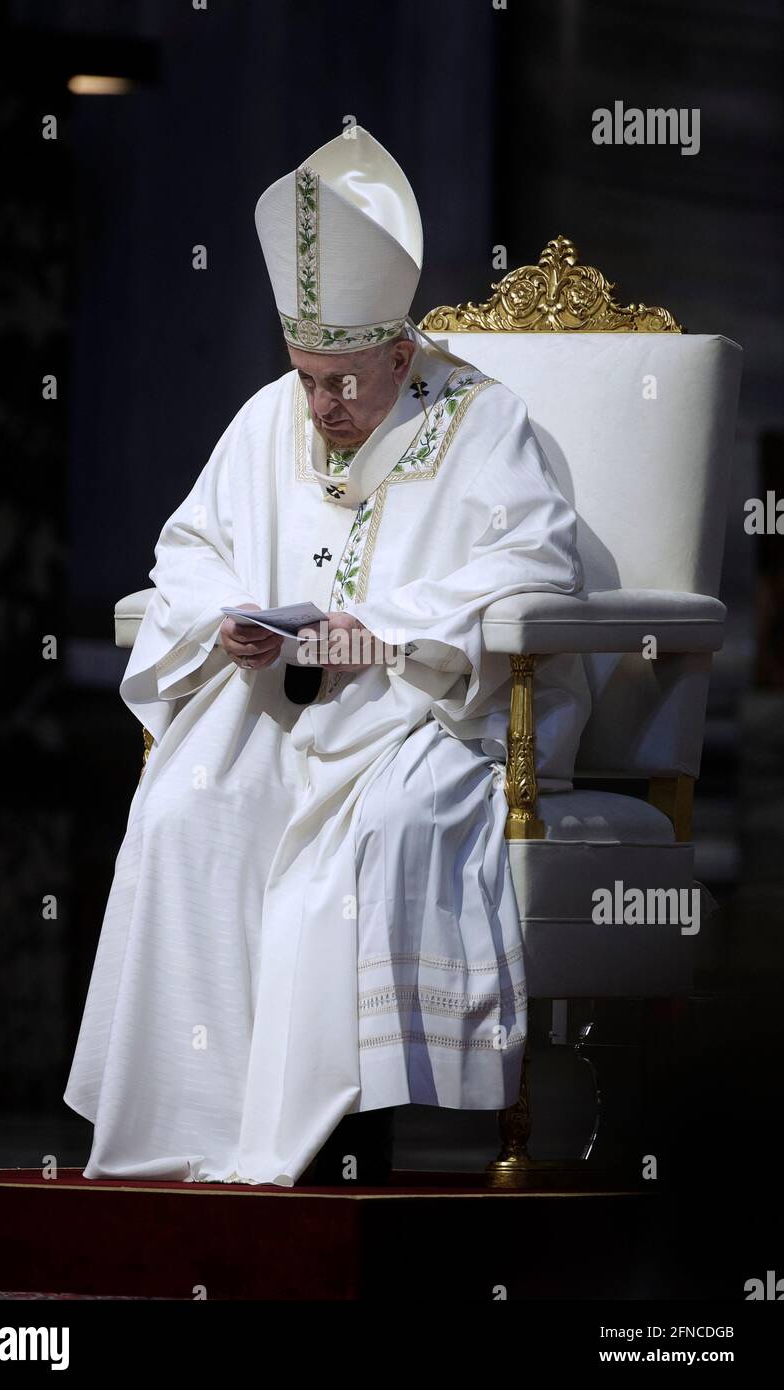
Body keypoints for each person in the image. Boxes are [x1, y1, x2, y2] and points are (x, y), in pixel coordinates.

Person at [63, 126, 591, 1187]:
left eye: (344, 383)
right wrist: (225, 622)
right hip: (284, 705)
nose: (322, 409)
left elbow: (538, 559)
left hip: (419, 713)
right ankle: (191, 1139)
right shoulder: (268, 419)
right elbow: (190, 551)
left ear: (402, 352)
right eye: (308, 379)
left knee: (339, 864)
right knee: (182, 809)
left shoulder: (486, 423)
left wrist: (386, 627)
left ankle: (312, 1150)